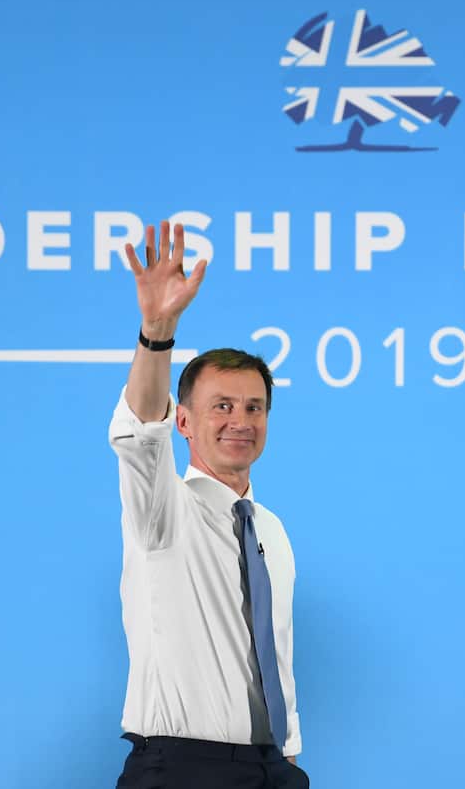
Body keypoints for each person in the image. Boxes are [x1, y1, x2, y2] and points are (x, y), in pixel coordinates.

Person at [108, 221, 309, 789]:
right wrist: (157, 331)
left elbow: (276, 653)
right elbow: (139, 431)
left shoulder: (269, 527)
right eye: (221, 405)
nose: (240, 421)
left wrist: (288, 756)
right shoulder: (163, 508)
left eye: (254, 407)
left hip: (270, 768)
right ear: (185, 421)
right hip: (180, 769)